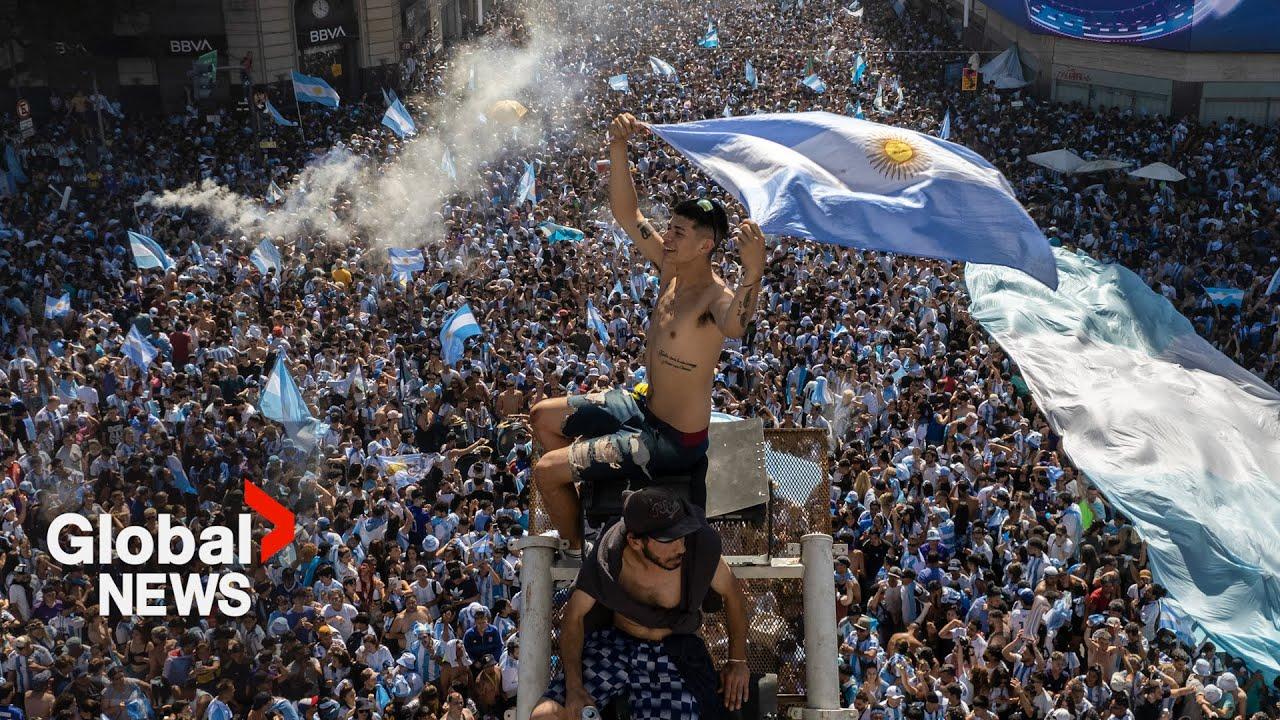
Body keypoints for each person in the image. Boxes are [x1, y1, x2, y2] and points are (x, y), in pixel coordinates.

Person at [528, 112, 766, 561]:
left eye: (678, 232)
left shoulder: (716, 297)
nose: (667, 237)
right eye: (669, 228)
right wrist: (618, 146)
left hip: (673, 440)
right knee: (542, 417)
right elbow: (628, 213)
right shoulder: (670, 269)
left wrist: (753, 272)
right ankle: (587, 505)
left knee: (545, 471)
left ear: (705, 245)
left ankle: (580, 552)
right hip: (643, 407)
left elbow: (736, 325)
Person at [532, 487, 751, 720]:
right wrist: (574, 687)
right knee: (545, 716)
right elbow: (573, 616)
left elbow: (734, 595)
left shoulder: (699, 547)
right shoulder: (609, 554)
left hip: (673, 652)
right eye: (668, 539)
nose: (681, 547)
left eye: (682, 534)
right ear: (635, 542)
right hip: (614, 646)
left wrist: (737, 660)